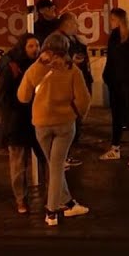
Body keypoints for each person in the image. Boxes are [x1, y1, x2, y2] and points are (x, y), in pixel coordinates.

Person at [17, 33, 92, 226]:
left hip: (41, 124)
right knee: (57, 166)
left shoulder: (35, 69)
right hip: (65, 123)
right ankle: (51, 212)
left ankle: (68, 203)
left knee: (54, 164)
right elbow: (83, 100)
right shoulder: (72, 70)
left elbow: (23, 97)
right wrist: (79, 115)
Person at [0, 34, 46, 214]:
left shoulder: (41, 65)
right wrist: (18, 106)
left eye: (37, 45)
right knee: (18, 164)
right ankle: (21, 200)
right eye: (31, 46)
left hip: (38, 119)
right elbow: (3, 95)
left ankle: (51, 195)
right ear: (23, 47)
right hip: (17, 121)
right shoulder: (12, 67)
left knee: (46, 159)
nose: (35, 49)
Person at [100, 9, 129, 166]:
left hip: (126, 83)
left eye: (112, 19)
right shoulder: (114, 36)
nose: (110, 22)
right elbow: (111, 60)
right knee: (117, 116)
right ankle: (115, 148)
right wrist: (107, 76)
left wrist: (128, 79)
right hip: (114, 83)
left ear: (120, 20)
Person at [56, 14, 93, 167]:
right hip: (68, 87)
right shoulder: (59, 40)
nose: (77, 27)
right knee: (68, 124)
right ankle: (62, 158)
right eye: (75, 24)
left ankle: (66, 155)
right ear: (67, 24)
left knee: (76, 123)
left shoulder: (74, 39)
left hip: (79, 82)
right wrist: (73, 62)